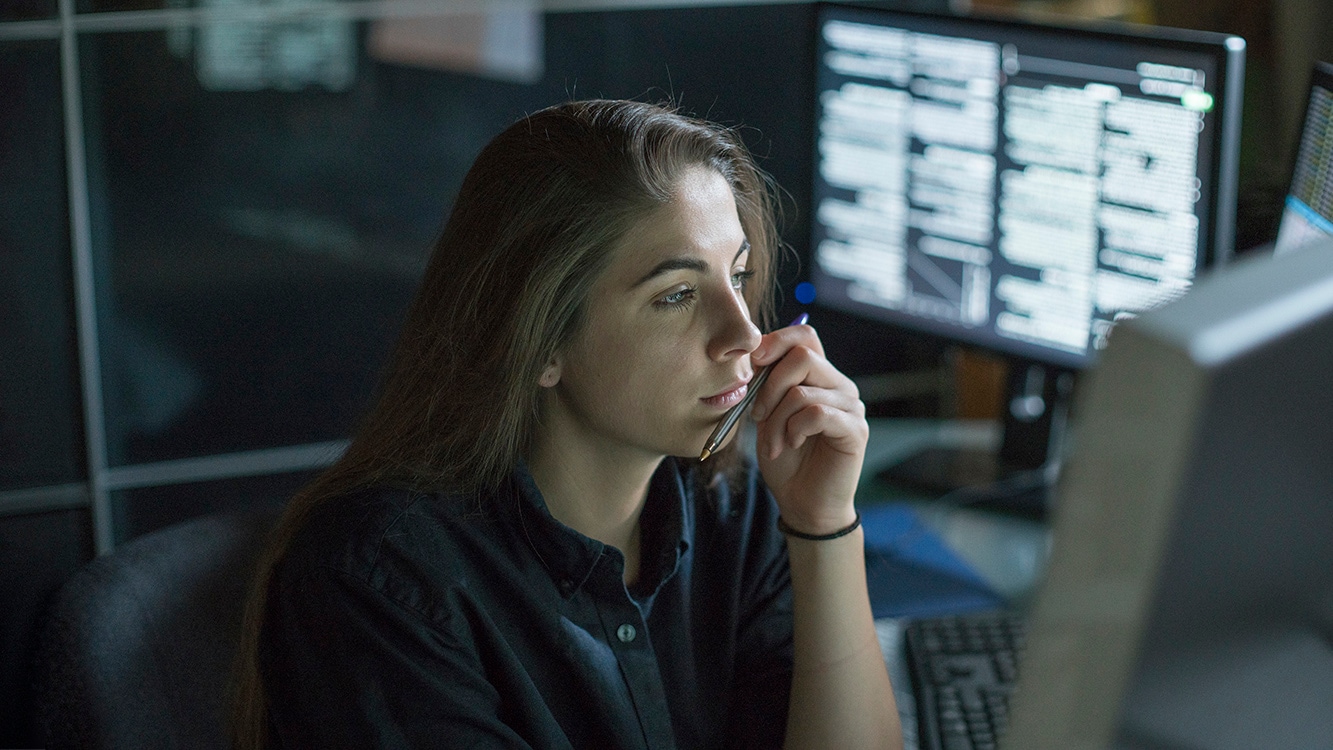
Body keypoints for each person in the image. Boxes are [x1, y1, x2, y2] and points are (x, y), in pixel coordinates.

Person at [231, 99, 901, 749]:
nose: (745, 333)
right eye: (675, 296)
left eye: (739, 275)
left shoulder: (735, 509)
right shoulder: (380, 581)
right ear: (541, 341)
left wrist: (823, 525)